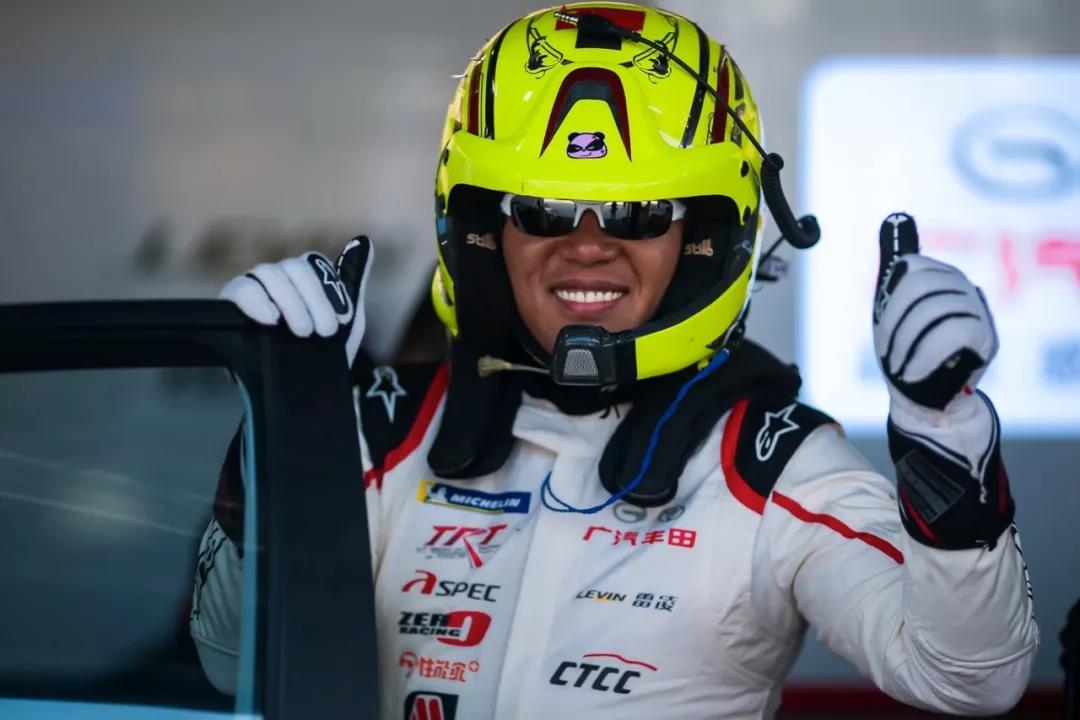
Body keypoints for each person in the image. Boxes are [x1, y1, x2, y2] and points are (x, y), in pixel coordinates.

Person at [189, 4, 1039, 718]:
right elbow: (230, 660)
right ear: (483, 230)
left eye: (640, 215)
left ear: (705, 238)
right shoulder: (384, 427)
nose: (588, 247)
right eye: (543, 211)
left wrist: (944, 438)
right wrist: (280, 427)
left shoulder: (770, 464)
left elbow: (970, 679)